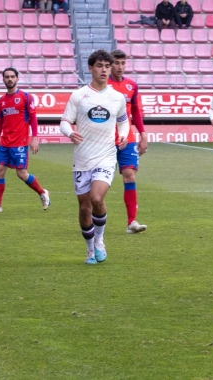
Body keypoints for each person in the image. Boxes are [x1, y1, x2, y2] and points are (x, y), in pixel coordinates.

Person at [60, 50, 129, 264]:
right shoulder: (79, 95)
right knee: (84, 207)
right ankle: (90, 249)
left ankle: (99, 240)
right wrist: (70, 132)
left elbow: (123, 121)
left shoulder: (117, 97)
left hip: (106, 157)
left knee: (97, 199)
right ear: (90, 68)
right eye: (100, 66)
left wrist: (124, 135)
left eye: (107, 66)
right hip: (82, 159)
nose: (105, 70)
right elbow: (64, 122)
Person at [0, 67, 50, 214]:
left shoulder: (26, 97)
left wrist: (34, 138)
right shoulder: (1, 101)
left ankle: (42, 192)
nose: (9, 79)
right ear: (3, 79)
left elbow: (33, 118)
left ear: (17, 78)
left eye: (12, 77)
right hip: (4, 142)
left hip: (20, 142)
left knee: (21, 174)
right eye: (7, 77)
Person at [107, 50, 149, 233]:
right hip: (105, 140)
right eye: (116, 63)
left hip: (127, 139)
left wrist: (143, 135)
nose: (120, 67)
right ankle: (92, 215)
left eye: (123, 63)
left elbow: (136, 113)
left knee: (129, 175)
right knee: (99, 180)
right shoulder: (102, 85)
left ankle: (132, 222)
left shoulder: (132, 86)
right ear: (110, 65)